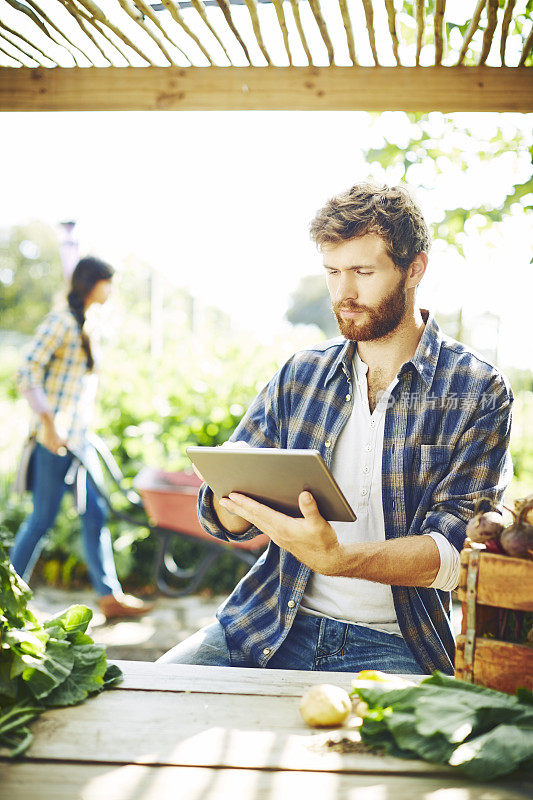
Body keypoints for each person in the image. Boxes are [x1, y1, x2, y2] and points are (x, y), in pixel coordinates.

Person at [158, 182, 513, 674]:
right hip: (268, 621)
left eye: (362, 272)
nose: (343, 293)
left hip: (395, 643)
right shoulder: (300, 374)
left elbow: (454, 551)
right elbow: (223, 519)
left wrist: (337, 558)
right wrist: (234, 498)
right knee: (152, 694)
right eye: (332, 272)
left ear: (415, 269)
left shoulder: (478, 390)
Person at [11, 256, 153, 621]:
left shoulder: (87, 323)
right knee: (42, 519)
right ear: (92, 283)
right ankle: (5, 599)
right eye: (108, 282)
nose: (111, 290)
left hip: (78, 441)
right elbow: (26, 372)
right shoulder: (60, 322)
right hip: (53, 440)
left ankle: (109, 597)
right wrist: (48, 423)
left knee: (95, 514)